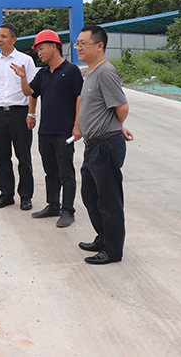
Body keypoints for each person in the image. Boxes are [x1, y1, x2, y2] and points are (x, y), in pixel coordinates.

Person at [74, 25, 134, 265]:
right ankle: (103, 237)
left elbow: (122, 106)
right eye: (77, 43)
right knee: (90, 195)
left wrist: (117, 126)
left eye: (83, 43)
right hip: (93, 146)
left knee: (109, 200)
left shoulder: (106, 72)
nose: (78, 47)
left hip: (105, 145)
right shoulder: (91, 72)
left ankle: (113, 250)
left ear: (99, 46)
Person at [11, 30, 83, 228]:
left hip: (64, 132)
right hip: (45, 131)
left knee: (66, 173)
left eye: (41, 49)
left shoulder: (71, 70)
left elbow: (80, 98)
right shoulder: (42, 73)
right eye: (37, 50)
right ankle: (53, 205)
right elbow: (30, 92)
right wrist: (22, 78)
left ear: (54, 46)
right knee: (50, 171)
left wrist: (77, 125)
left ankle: (68, 210)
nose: (39, 53)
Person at [0, 23, 38, 210]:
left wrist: (31, 113)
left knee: (23, 157)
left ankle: (26, 196)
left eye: (4, 36)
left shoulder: (25, 60)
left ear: (14, 39)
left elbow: (33, 90)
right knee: (1, 157)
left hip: (19, 114)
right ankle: (6, 194)